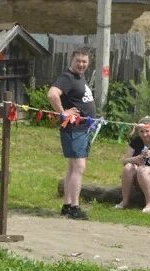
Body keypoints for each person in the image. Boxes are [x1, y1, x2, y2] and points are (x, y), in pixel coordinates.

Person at [48, 48, 97, 221]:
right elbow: (52, 94)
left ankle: (67, 205)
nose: (82, 64)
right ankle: (75, 207)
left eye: (84, 62)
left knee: (72, 167)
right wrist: (63, 112)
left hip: (83, 129)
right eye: (78, 61)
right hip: (74, 129)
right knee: (79, 167)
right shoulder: (67, 77)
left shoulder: (79, 77)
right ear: (72, 60)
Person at [114, 116, 150, 213]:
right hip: (140, 176)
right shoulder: (136, 141)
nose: (144, 134)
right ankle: (125, 201)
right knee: (128, 167)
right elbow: (124, 161)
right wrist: (135, 159)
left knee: (143, 169)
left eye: (147, 131)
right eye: (141, 131)